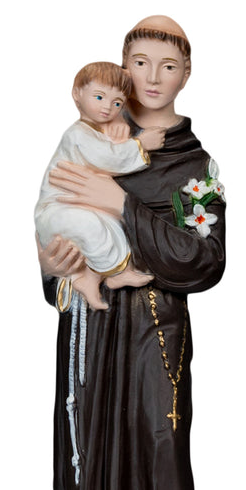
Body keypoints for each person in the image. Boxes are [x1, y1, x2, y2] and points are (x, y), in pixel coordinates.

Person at [38, 16, 225, 490]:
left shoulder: (192, 166)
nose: (152, 77)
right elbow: (56, 218)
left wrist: (120, 202)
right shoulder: (87, 137)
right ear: (122, 67)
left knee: (159, 439)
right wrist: (56, 267)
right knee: (89, 437)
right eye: (139, 63)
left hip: (154, 325)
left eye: (167, 65)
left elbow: (203, 258)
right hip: (92, 324)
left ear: (186, 73)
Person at [34, 62, 165, 309]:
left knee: (109, 229)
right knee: (91, 228)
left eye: (117, 103)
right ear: (77, 93)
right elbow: (107, 158)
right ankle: (112, 272)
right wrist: (141, 145)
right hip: (57, 211)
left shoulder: (99, 131)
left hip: (77, 209)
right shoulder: (77, 134)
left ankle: (95, 278)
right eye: (99, 97)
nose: (107, 107)